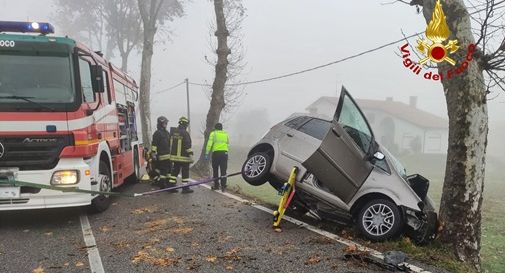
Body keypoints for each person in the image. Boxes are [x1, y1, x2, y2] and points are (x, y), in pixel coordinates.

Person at [150, 116, 177, 193]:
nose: (166, 124)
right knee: (164, 172)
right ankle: (162, 185)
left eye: (166, 123)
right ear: (161, 123)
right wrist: (153, 153)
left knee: (169, 172)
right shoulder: (157, 133)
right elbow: (154, 144)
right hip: (162, 156)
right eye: (165, 123)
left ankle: (168, 185)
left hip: (169, 156)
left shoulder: (167, 133)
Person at [168, 116, 194, 193]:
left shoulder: (173, 132)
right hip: (184, 157)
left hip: (174, 157)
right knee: (185, 172)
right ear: (185, 124)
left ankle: (171, 186)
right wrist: (191, 155)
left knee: (175, 171)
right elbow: (187, 145)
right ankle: (185, 188)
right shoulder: (185, 133)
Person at [205, 122, 229, 192]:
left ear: (215, 128)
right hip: (224, 153)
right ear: (222, 128)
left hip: (216, 153)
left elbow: (209, 144)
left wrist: (206, 153)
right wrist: (226, 152)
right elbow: (228, 144)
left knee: (215, 170)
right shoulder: (226, 134)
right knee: (223, 170)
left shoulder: (213, 133)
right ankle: (223, 186)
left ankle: (216, 186)